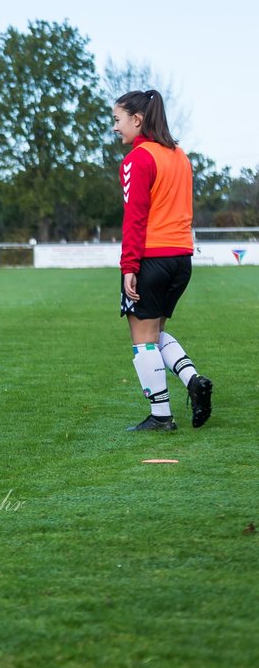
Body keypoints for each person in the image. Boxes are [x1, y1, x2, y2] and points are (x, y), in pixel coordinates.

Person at [114, 89, 212, 432]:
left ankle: (161, 416)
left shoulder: (137, 159)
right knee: (156, 333)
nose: (115, 127)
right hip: (181, 259)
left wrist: (129, 266)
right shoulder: (180, 156)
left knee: (142, 338)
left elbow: (135, 217)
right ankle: (193, 380)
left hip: (151, 259)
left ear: (137, 120)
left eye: (117, 120)